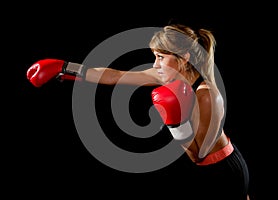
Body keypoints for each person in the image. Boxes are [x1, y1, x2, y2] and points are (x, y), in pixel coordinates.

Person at [26, 23, 251, 199]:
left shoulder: (208, 96)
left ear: (184, 59)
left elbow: (198, 155)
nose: (154, 64)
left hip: (222, 172)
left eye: (160, 57)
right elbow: (114, 76)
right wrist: (65, 67)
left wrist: (174, 122)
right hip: (206, 171)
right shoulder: (166, 75)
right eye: (155, 56)